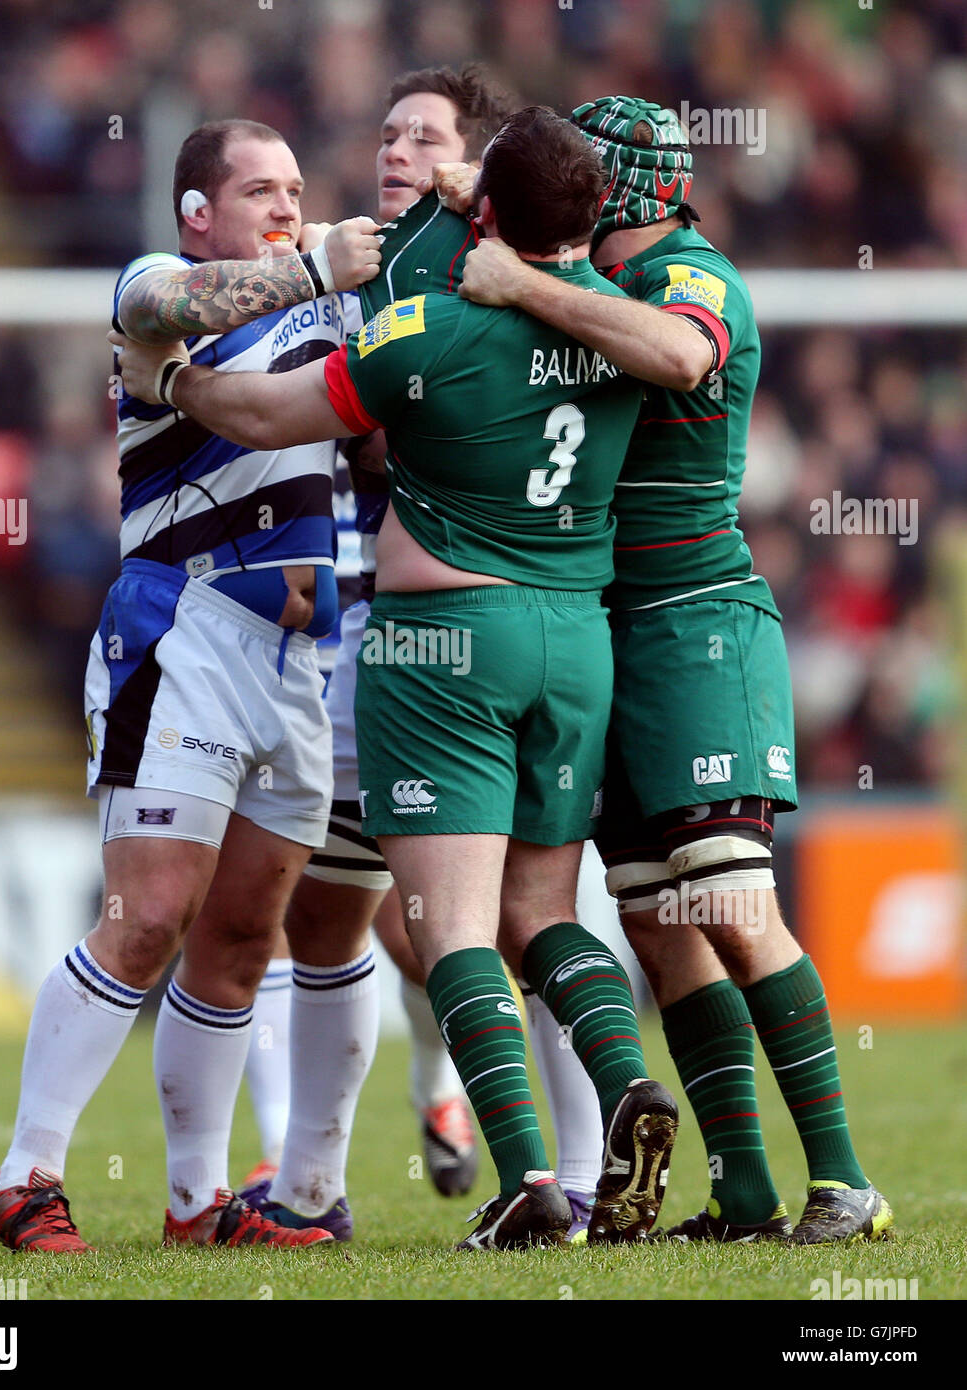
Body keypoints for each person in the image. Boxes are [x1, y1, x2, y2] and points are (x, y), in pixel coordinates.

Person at [113, 105, 679, 1251]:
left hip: (442, 647)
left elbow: (272, 408)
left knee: (451, 930)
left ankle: (530, 1179)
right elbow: (676, 356)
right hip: (578, 640)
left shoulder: (430, 328)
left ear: (484, 211)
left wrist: (167, 388)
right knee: (545, 912)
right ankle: (623, 1087)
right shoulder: (633, 331)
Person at [456, 95, 892, 1244]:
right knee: (658, 918)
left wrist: (520, 282)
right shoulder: (588, 278)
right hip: (604, 634)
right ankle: (743, 1190)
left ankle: (844, 1178)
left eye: (589, 179)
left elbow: (681, 353)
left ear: (633, 188)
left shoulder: (695, 276)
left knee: (734, 901)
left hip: (699, 624)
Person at [0, 118, 381, 1252]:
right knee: (148, 912)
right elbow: (162, 317)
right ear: (198, 211)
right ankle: (25, 1173)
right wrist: (312, 267)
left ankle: (200, 1201)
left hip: (305, 653)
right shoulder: (159, 283)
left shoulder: (332, 313)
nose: (287, 206)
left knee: (248, 932)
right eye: (260, 190)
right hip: (184, 628)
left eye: (297, 190)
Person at [237, 64, 516, 1240]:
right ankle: (299, 1178)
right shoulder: (354, 276)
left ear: (475, 165)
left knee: (467, 920)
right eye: (388, 132)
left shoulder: (486, 281)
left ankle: (494, 1133)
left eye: (426, 136)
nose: (394, 148)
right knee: (307, 915)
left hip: (445, 633)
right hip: (328, 628)